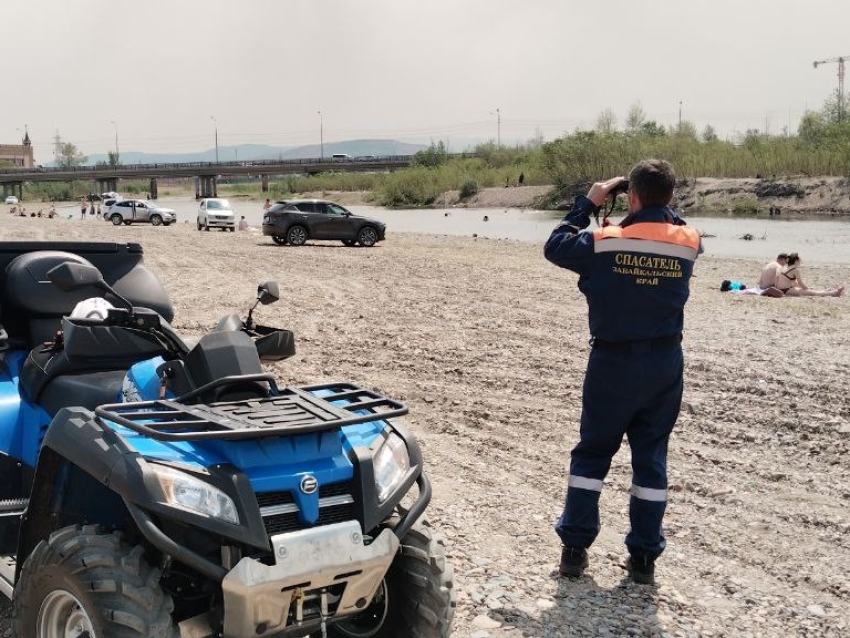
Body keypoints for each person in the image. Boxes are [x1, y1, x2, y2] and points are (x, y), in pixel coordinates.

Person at [544, 159, 702, 585]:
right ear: (671, 197)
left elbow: (555, 245)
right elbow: (672, 224)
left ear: (630, 197)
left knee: (593, 453)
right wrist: (649, 205)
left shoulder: (604, 242)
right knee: (651, 459)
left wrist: (590, 202)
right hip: (664, 364)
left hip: (612, 362)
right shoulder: (688, 241)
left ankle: (574, 550)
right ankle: (644, 559)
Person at [775, 253, 844, 297]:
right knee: (811, 293)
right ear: (796, 261)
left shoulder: (785, 267)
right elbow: (800, 283)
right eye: (800, 261)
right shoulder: (795, 270)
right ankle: (834, 293)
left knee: (809, 290)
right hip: (785, 290)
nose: (800, 262)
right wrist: (806, 289)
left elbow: (793, 282)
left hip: (782, 289)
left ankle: (825, 292)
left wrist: (805, 288)